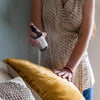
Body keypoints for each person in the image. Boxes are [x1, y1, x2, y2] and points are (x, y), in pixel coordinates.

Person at [28, 0, 95, 100]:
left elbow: (84, 36)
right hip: (50, 72)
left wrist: (69, 69)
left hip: (80, 75)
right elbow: (39, 31)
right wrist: (37, 38)